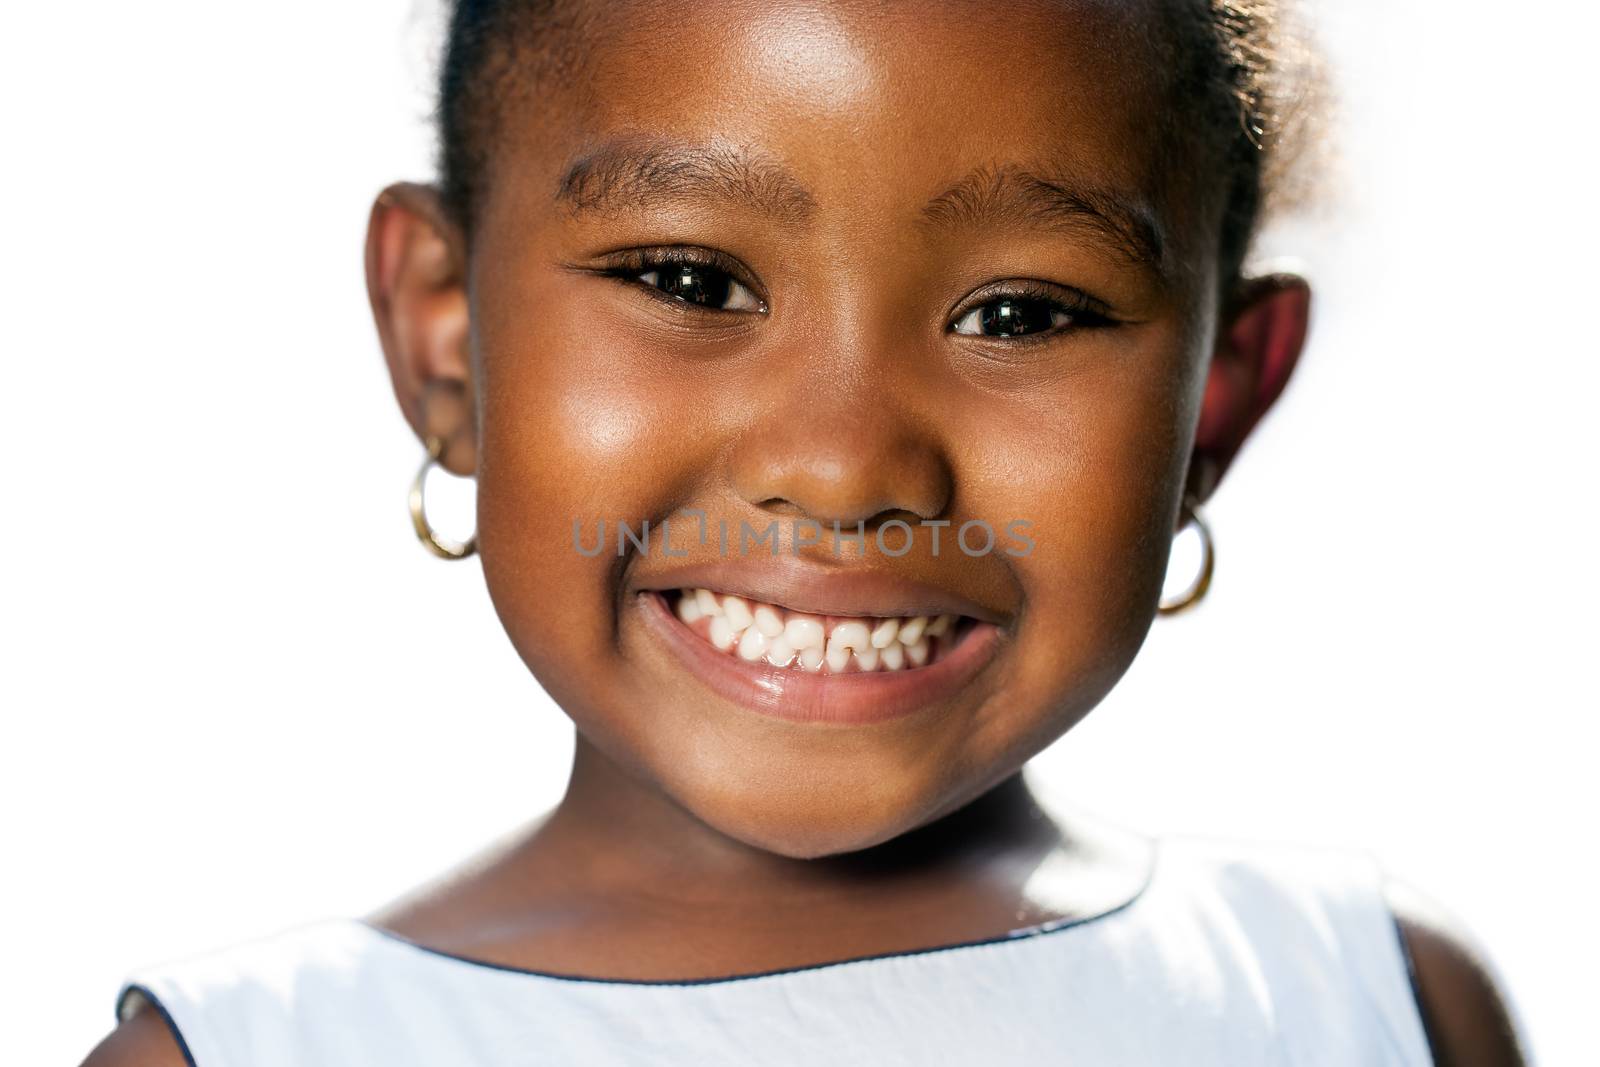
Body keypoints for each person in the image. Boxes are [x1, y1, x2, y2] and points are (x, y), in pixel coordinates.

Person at [83, 1, 1529, 1063]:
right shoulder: (249, 1056)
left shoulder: (1374, 1004)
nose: (842, 469)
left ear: (1215, 402)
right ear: (451, 345)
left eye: (1021, 314)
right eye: (690, 279)